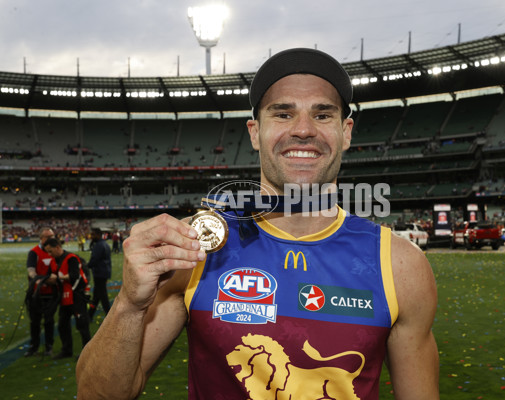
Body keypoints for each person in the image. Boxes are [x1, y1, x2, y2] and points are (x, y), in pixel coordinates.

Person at [76, 48, 439, 399]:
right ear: (254, 132)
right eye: (283, 114)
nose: (303, 130)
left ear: (346, 132)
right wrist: (129, 305)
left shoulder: (400, 265)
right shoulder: (192, 247)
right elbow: (98, 394)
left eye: (322, 115)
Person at [43, 238, 91, 359]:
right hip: (64, 297)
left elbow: (75, 275)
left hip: (77, 296)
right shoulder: (54, 261)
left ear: (57, 247)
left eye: (50, 251)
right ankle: (67, 350)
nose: (49, 254)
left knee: (82, 325)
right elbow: (49, 275)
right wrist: (48, 279)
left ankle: (88, 352)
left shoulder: (71, 258)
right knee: (62, 325)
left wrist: (60, 278)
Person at [24, 227, 59, 357]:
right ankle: (34, 347)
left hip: (51, 293)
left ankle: (49, 346)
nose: (51, 239)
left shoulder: (55, 251)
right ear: (41, 238)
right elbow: (31, 270)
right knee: (35, 322)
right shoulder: (34, 252)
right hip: (36, 294)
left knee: (49, 321)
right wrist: (40, 279)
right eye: (48, 237)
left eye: (52, 236)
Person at [87, 228, 112, 318]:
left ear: (98, 235)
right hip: (104, 272)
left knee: (103, 296)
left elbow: (94, 259)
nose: (91, 236)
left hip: (99, 273)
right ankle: (90, 315)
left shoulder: (98, 245)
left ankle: (110, 316)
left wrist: (86, 266)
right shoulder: (105, 244)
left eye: (93, 234)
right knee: (96, 297)